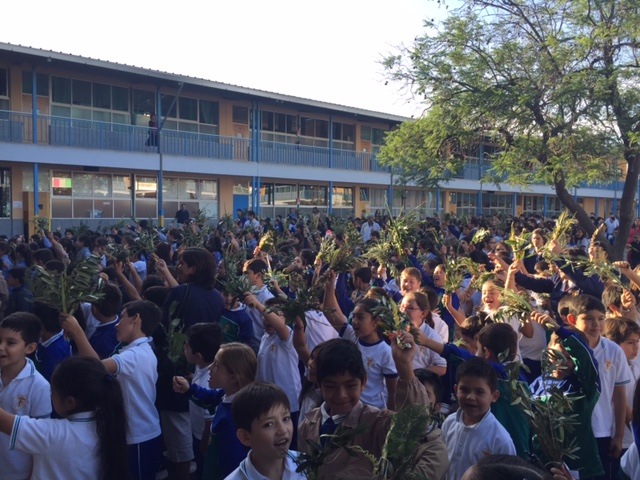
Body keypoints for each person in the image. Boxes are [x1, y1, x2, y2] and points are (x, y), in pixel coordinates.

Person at [297, 335, 449, 479]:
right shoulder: (307, 426)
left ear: (363, 382)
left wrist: (404, 366)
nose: (341, 395)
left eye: (350, 385)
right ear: (319, 384)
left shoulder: (377, 423)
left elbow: (416, 423)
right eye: (331, 386)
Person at [61, 300, 164, 480]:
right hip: (134, 433)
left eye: (122, 317)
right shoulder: (139, 349)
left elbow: (95, 367)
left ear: (136, 318)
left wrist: (77, 331)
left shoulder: (135, 355)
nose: (117, 324)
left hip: (139, 436)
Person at [0, 356, 130, 479]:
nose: (50, 396)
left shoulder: (52, 434)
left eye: (52, 392)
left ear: (70, 402)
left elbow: (4, 421)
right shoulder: (108, 426)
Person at [530, 311, 603, 479]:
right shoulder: (537, 386)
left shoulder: (584, 385)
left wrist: (558, 329)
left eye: (568, 359)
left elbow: (585, 358)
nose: (560, 364)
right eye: (556, 356)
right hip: (544, 467)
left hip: (582, 468)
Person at [566, 294, 631, 480]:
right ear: (572, 320)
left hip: (602, 430)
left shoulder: (613, 350)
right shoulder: (565, 347)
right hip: (572, 429)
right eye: (588, 319)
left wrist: (619, 435)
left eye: (601, 319)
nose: (596, 324)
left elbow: (619, 395)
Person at [174, 342, 257, 480]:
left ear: (233, 377)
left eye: (217, 365)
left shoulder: (233, 418)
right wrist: (189, 389)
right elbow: (211, 397)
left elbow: (233, 464)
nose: (210, 368)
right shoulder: (227, 394)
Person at [242, 294, 302, 449]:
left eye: (275, 313)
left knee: (289, 446)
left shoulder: (287, 337)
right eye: (266, 314)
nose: (268, 318)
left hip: (288, 403)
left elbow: (280, 327)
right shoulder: (265, 337)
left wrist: (258, 304)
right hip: (268, 401)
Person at [442, 357, 516, 480]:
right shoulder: (449, 423)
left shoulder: (500, 440)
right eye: (464, 390)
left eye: (479, 392)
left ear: (494, 396)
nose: (470, 397)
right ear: (456, 390)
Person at [0, 313, 52, 480]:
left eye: (10, 343)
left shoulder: (39, 386)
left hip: (17, 471)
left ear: (29, 348)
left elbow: (40, 439)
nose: (1, 347)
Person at [226, 382, 306, 480]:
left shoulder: (307, 466)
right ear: (245, 437)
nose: (283, 430)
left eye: (286, 419)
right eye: (269, 424)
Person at [180, 322, 223, 478]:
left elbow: (209, 420)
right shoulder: (202, 365)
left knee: (204, 471)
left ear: (198, 355)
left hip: (203, 437)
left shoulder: (208, 382)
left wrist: (205, 445)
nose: (184, 347)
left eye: (186, 345)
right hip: (197, 432)